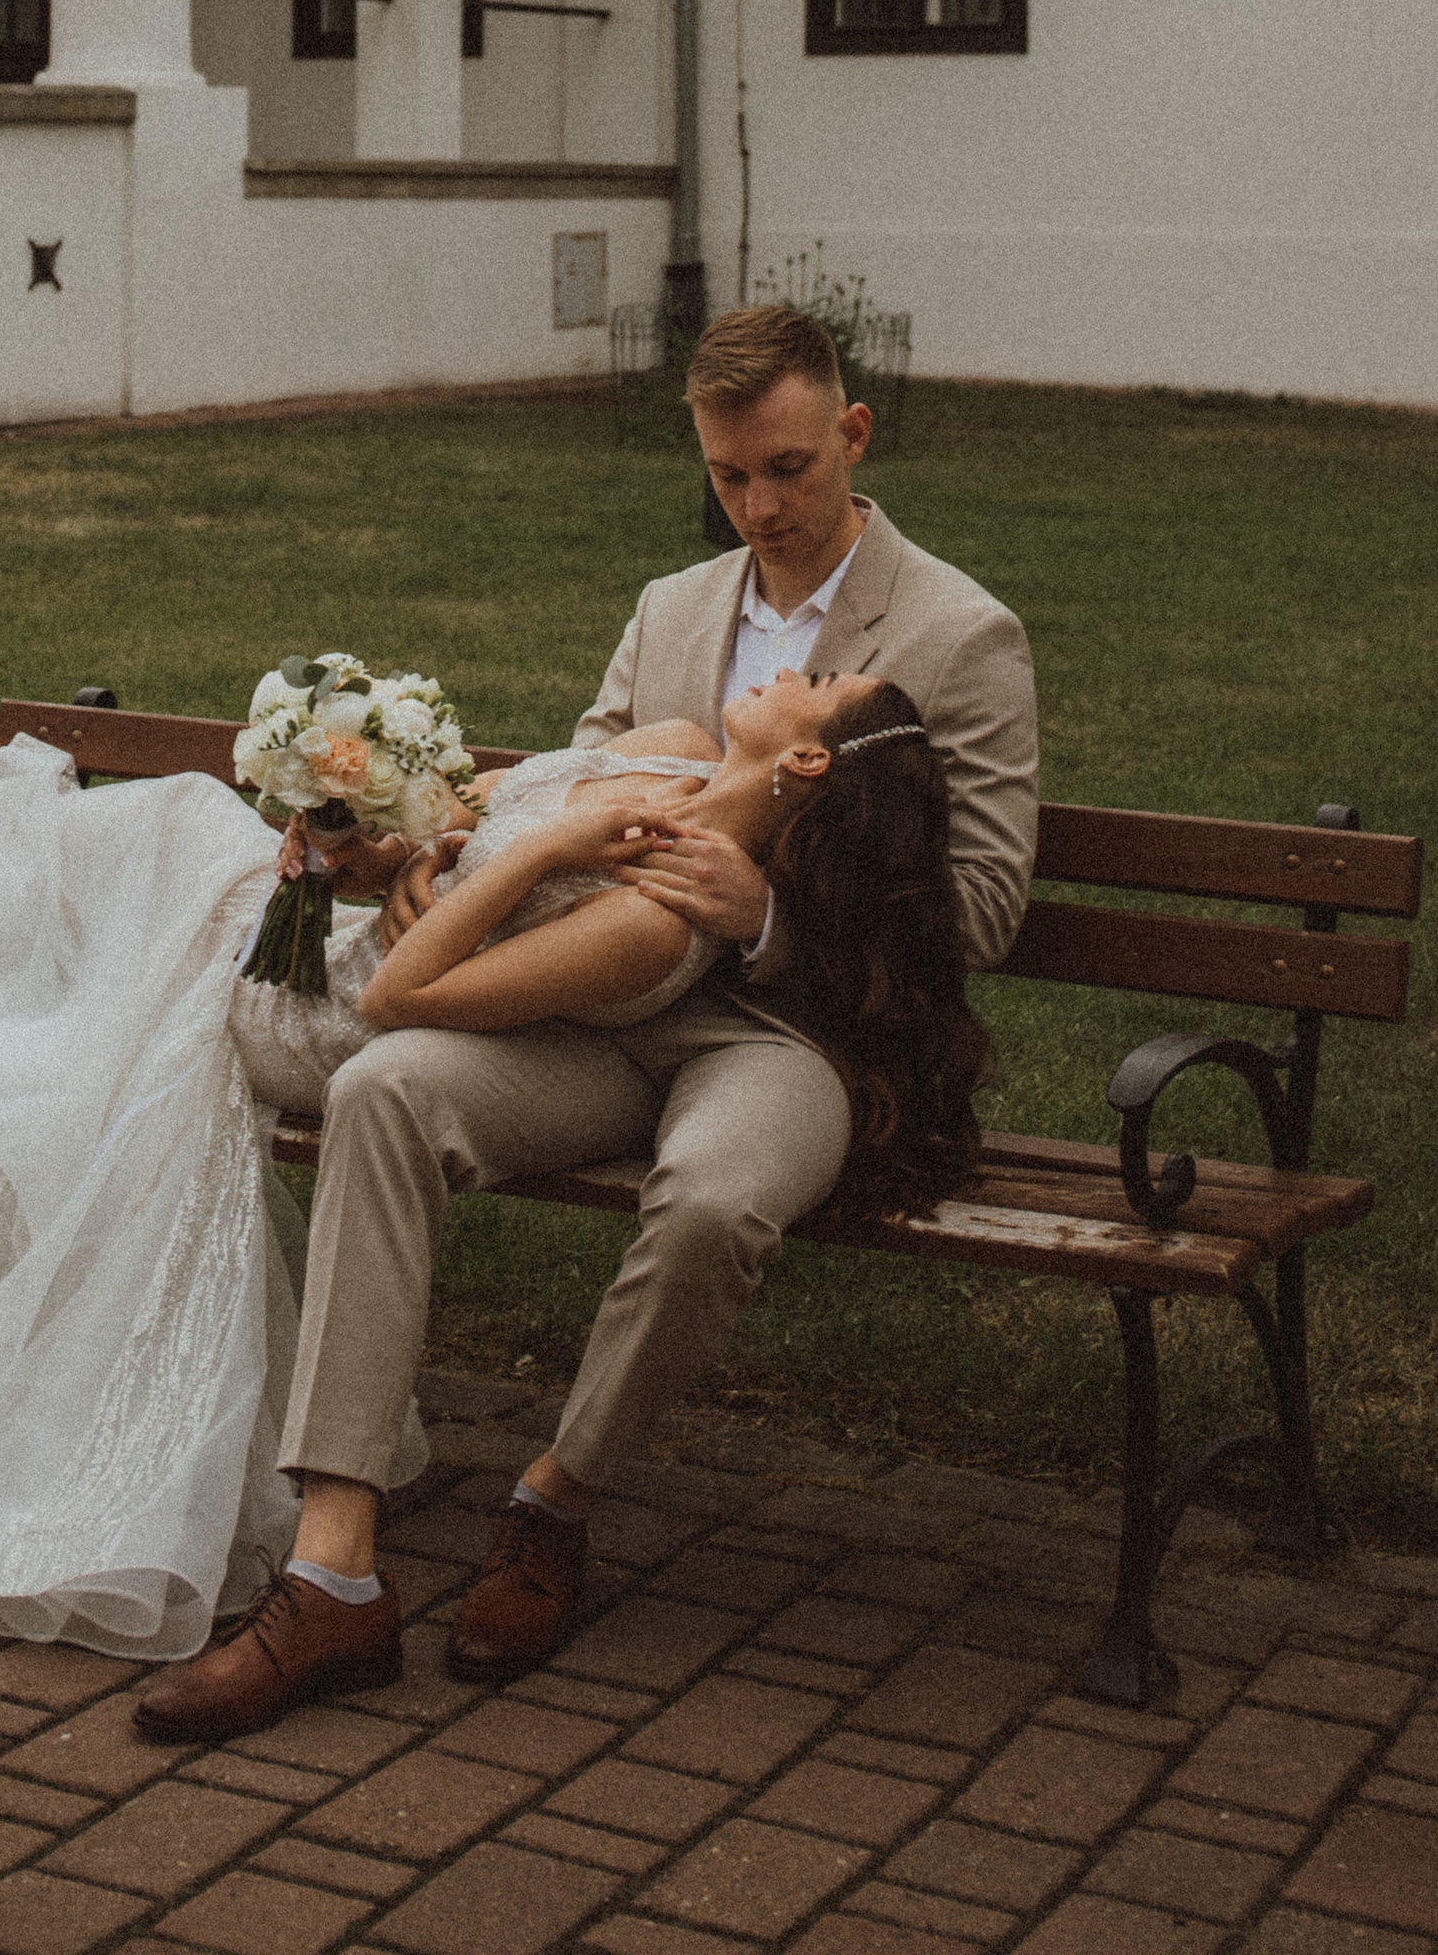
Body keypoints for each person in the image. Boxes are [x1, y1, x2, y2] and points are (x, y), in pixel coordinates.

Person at [143, 302, 1036, 1744]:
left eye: (790, 471)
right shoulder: (675, 608)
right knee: (387, 1090)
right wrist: (461, 860)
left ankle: (554, 1502)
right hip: (598, 1011)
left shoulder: (959, 631)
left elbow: (983, 907)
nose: (760, 507)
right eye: (731, 478)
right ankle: (334, 1576)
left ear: (854, 436)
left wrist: (764, 914)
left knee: (714, 1205)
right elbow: (577, 783)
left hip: (785, 1031)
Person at [0, 635, 985, 1674]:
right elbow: (480, 811)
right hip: (370, 949)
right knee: (181, 844)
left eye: (814, 677)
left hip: (445, 997)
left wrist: (578, 863)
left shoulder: (655, 906)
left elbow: (421, 981)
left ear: (810, 760)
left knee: (168, 852)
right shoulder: (666, 734)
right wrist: (425, 840)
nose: (786, 668)